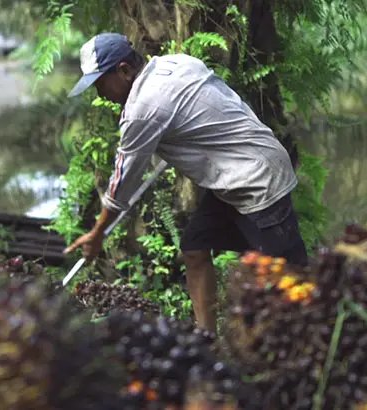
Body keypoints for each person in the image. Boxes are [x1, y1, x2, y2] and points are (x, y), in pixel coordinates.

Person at [62, 32, 308, 332]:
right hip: (231, 179)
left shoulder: (142, 109)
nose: (100, 95)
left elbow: (122, 183)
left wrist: (97, 234)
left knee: (289, 279)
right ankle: (206, 336)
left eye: (101, 84)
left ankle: (314, 340)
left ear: (124, 70)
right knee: (194, 247)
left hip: (257, 180)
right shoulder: (177, 63)